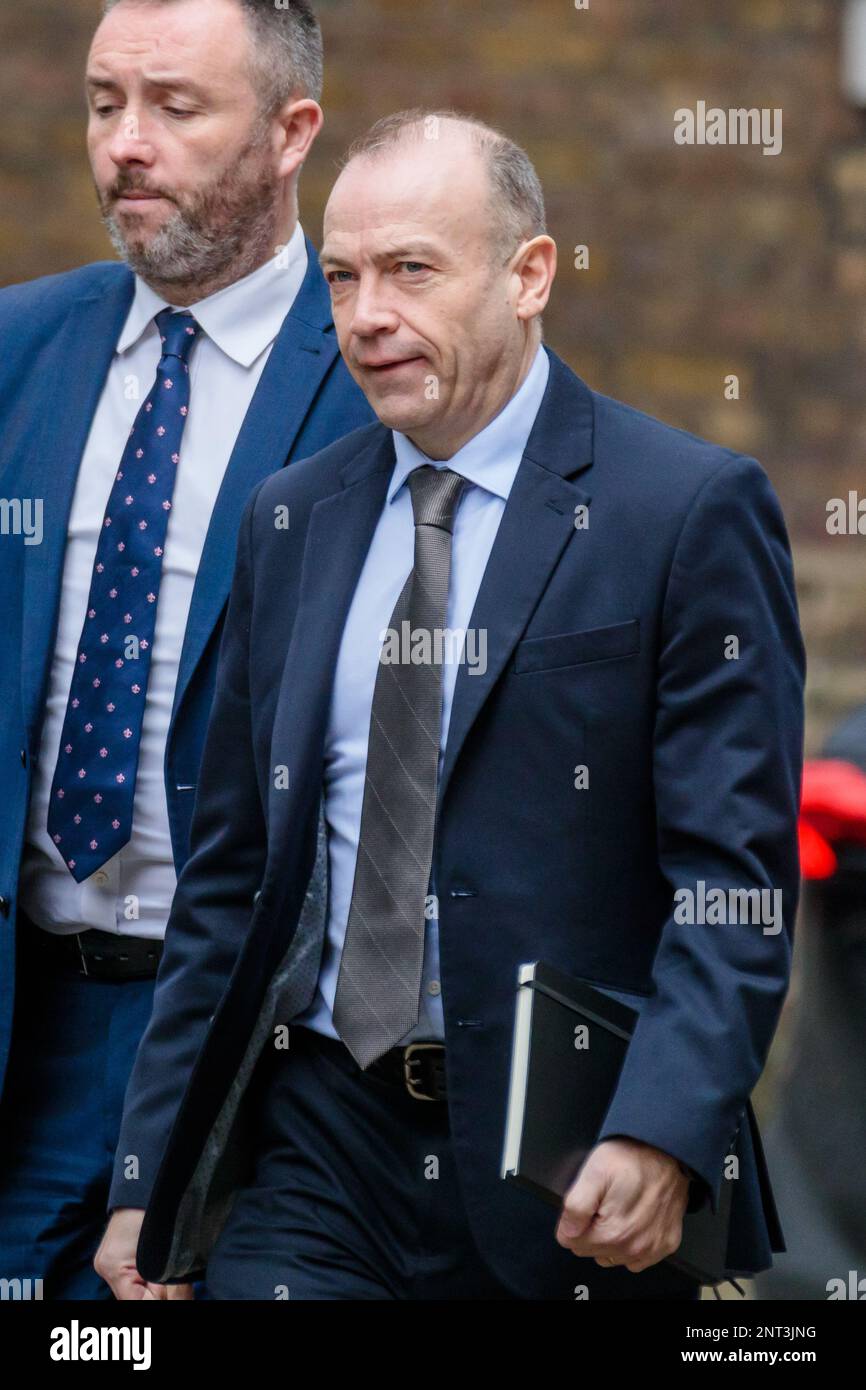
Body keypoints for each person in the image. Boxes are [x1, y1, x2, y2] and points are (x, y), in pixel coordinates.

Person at [99, 110, 805, 1301]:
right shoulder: (291, 518)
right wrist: (147, 1181)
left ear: (529, 276)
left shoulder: (681, 511)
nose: (367, 314)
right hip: (316, 1147)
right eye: (341, 275)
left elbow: (731, 876)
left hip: (568, 1166)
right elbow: (226, 887)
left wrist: (664, 1125)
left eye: (411, 270)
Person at [0, 0, 371, 1301]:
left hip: (252, 1059)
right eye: (105, 103)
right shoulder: (17, 348)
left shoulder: (376, 382)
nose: (125, 145)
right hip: (26, 1017)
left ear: (289, 132)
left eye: (175, 105)